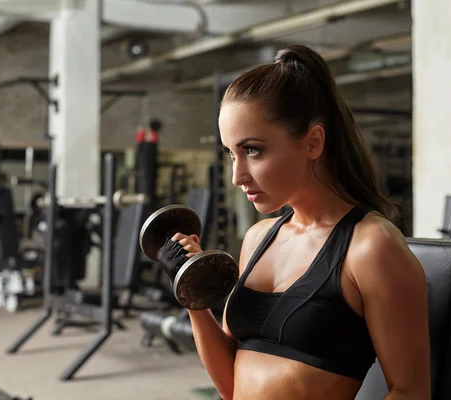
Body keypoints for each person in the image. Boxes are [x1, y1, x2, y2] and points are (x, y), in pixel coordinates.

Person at [169, 45, 431, 399]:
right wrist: (195, 298)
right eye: (232, 153)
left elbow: (411, 391)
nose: (237, 176)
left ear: (313, 142)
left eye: (253, 150)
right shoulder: (257, 238)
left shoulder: (371, 247)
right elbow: (231, 386)